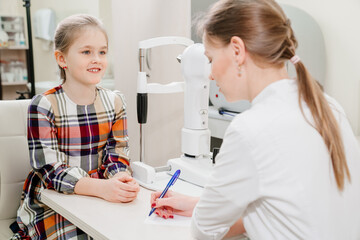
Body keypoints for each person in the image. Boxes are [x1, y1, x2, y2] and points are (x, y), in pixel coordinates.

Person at [150, 0, 360, 239]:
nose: (210, 73)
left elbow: (204, 232)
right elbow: (290, 209)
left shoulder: (250, 129)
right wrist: (198, 204)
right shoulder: (328, 107)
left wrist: (204, 211)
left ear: (237, 50)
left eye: (210, 59)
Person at [11, 14, 140, 240]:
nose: (97, 59)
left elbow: (117, 152)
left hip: (102, 189)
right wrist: (100, 188)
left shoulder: (116, 101)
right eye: (86, 52)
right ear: (62, 59)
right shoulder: (43, 105)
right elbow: (49, 169)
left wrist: (119, 178)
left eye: (102, 52)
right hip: (54, 195)